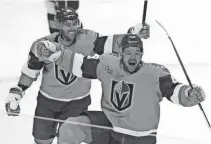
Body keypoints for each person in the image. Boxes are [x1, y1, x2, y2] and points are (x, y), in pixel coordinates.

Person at [5, 6, 150, 144]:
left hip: (77, 102)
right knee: (42, 139)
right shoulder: (44, 45)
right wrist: (18, 91)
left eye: (75, 23)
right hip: (47, 102)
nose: (73, 28)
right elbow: (31, 70)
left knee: (68, 137)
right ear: (58, 24)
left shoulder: (88, 38)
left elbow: (114, 43)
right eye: (68, 24)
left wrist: (133, 33)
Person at [37, 34, 206, 144]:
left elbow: (175, 91)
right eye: (128, 52)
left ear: (142, 54)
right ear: (121, 53)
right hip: (110, 127)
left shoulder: (155, 73)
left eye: (137, 52)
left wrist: (189, 94)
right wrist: (55, 53)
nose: (133, 57)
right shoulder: (108, 64)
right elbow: (79, 65)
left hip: (140, 138)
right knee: (72, 127)